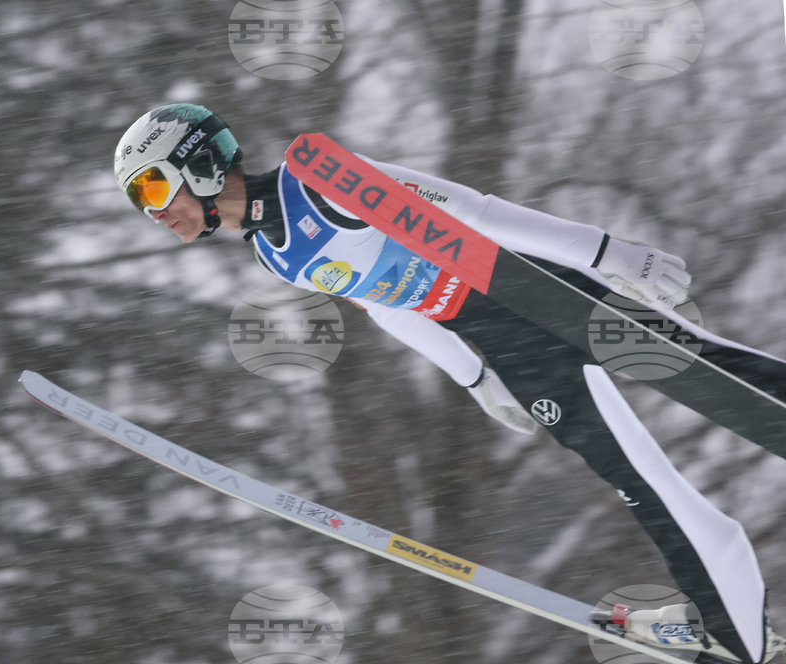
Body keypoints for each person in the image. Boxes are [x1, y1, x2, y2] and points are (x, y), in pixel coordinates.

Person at [113, 103, 785, 664]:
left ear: (196, 164)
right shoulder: (274, 252)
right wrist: (473, 376)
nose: (153, 213)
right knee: (639, 484)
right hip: (507, 346)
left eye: (150, 189)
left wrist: (605, 252)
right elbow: (383, 302)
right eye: (138, 202)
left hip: (538, 294)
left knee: (714, 374)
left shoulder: (314, 179)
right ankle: (737, 630)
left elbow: (469, 211)